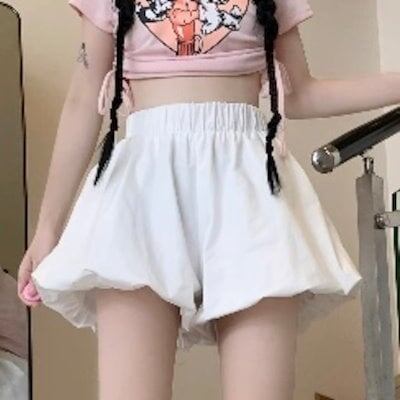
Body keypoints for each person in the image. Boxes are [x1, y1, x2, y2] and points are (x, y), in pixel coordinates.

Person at [16, 0, 400, 398]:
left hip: (249, 186)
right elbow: (83, 101)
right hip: (141, 188)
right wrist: (47, 232)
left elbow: (301, 93)